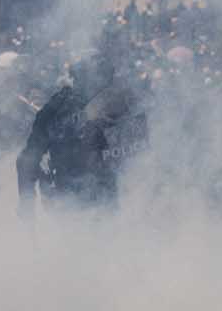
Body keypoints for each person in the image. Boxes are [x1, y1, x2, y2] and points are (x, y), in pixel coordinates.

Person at [15, 38, 148, 214]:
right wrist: (26, 202)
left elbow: (143, 156)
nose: (96, 82)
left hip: (112, 202)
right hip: (68, 202)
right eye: (90, 75)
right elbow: (28, 159)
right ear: (76, 76)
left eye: (101, 75)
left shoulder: (125, 104)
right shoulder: (58, 108)